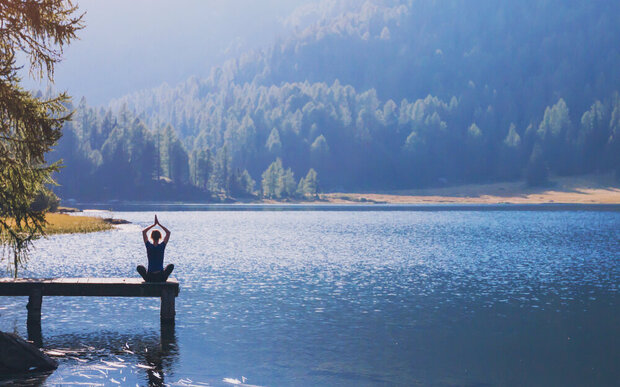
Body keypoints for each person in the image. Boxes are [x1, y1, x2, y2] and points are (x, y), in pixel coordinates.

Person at [138, 215, 174, 282]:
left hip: (149, 277)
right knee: (171, 266)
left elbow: (144, 232)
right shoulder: (162, 246)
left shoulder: (149, 246)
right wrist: (159, 224)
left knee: (139, 267)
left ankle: (147, 278)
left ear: (151, 237)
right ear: (160, 237)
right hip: (161, 277)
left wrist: (153, 224)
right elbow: (168, 233)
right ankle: (162, 278)